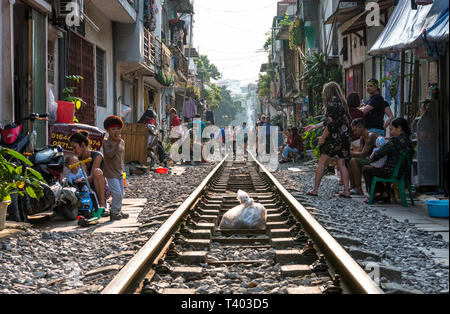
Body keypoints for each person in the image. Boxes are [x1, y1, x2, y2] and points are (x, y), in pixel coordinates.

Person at [307, 82, 352, 198]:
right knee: (341, 163)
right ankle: (347, 190)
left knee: (322, 162)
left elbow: (330, 125)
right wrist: (315, 126)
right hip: (344, 137)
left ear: (327, 92)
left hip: (334, 139)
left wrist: (322, 138)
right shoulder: (342, 103)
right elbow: (332, 121)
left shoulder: (331, 104)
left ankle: (315, 189)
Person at [362, 117, 413, 203]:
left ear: (399, 128)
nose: (391, 132)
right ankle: (384, 193)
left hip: (391, 172)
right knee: (375, 169)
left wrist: (371, 159)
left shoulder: (395, 140)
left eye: (392, 129)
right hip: (402, 172)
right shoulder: (408, 141)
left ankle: (377, 194)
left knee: (366, 169)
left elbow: (380, 153)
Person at [69, 130, 106, 212]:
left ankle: (103, 206)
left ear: (82, 145)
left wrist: (82, 179)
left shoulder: (97, 155)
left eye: (74, 147)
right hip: (84, 188)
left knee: (97, 171)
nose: (73, 151)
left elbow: (93, 176)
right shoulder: (77, 159)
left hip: (98, 186)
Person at [102, 115, 129, 221]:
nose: (116, 131)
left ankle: (118, 210)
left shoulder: (121, 141)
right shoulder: (106, 142)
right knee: (116, 193)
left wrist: (123, 170)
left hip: (119, 171)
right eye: (113, 129)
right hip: (110, 172)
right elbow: (109, 155)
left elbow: (121, 156)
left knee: (121, 193)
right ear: (108, 130)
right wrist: (116, 145)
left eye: (118, 129)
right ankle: (113, 213)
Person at [348, 118, 379, 195]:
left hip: (377, 162)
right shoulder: (362, 138)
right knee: (349, 160)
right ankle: (353, 187)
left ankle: (359, 189)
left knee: (354, 161)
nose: (354, 133)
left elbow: (362, 154)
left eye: (355, 130)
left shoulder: (371, 135)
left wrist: (348, 152)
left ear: (361, 127)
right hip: (371, 160)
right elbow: (360, 154)